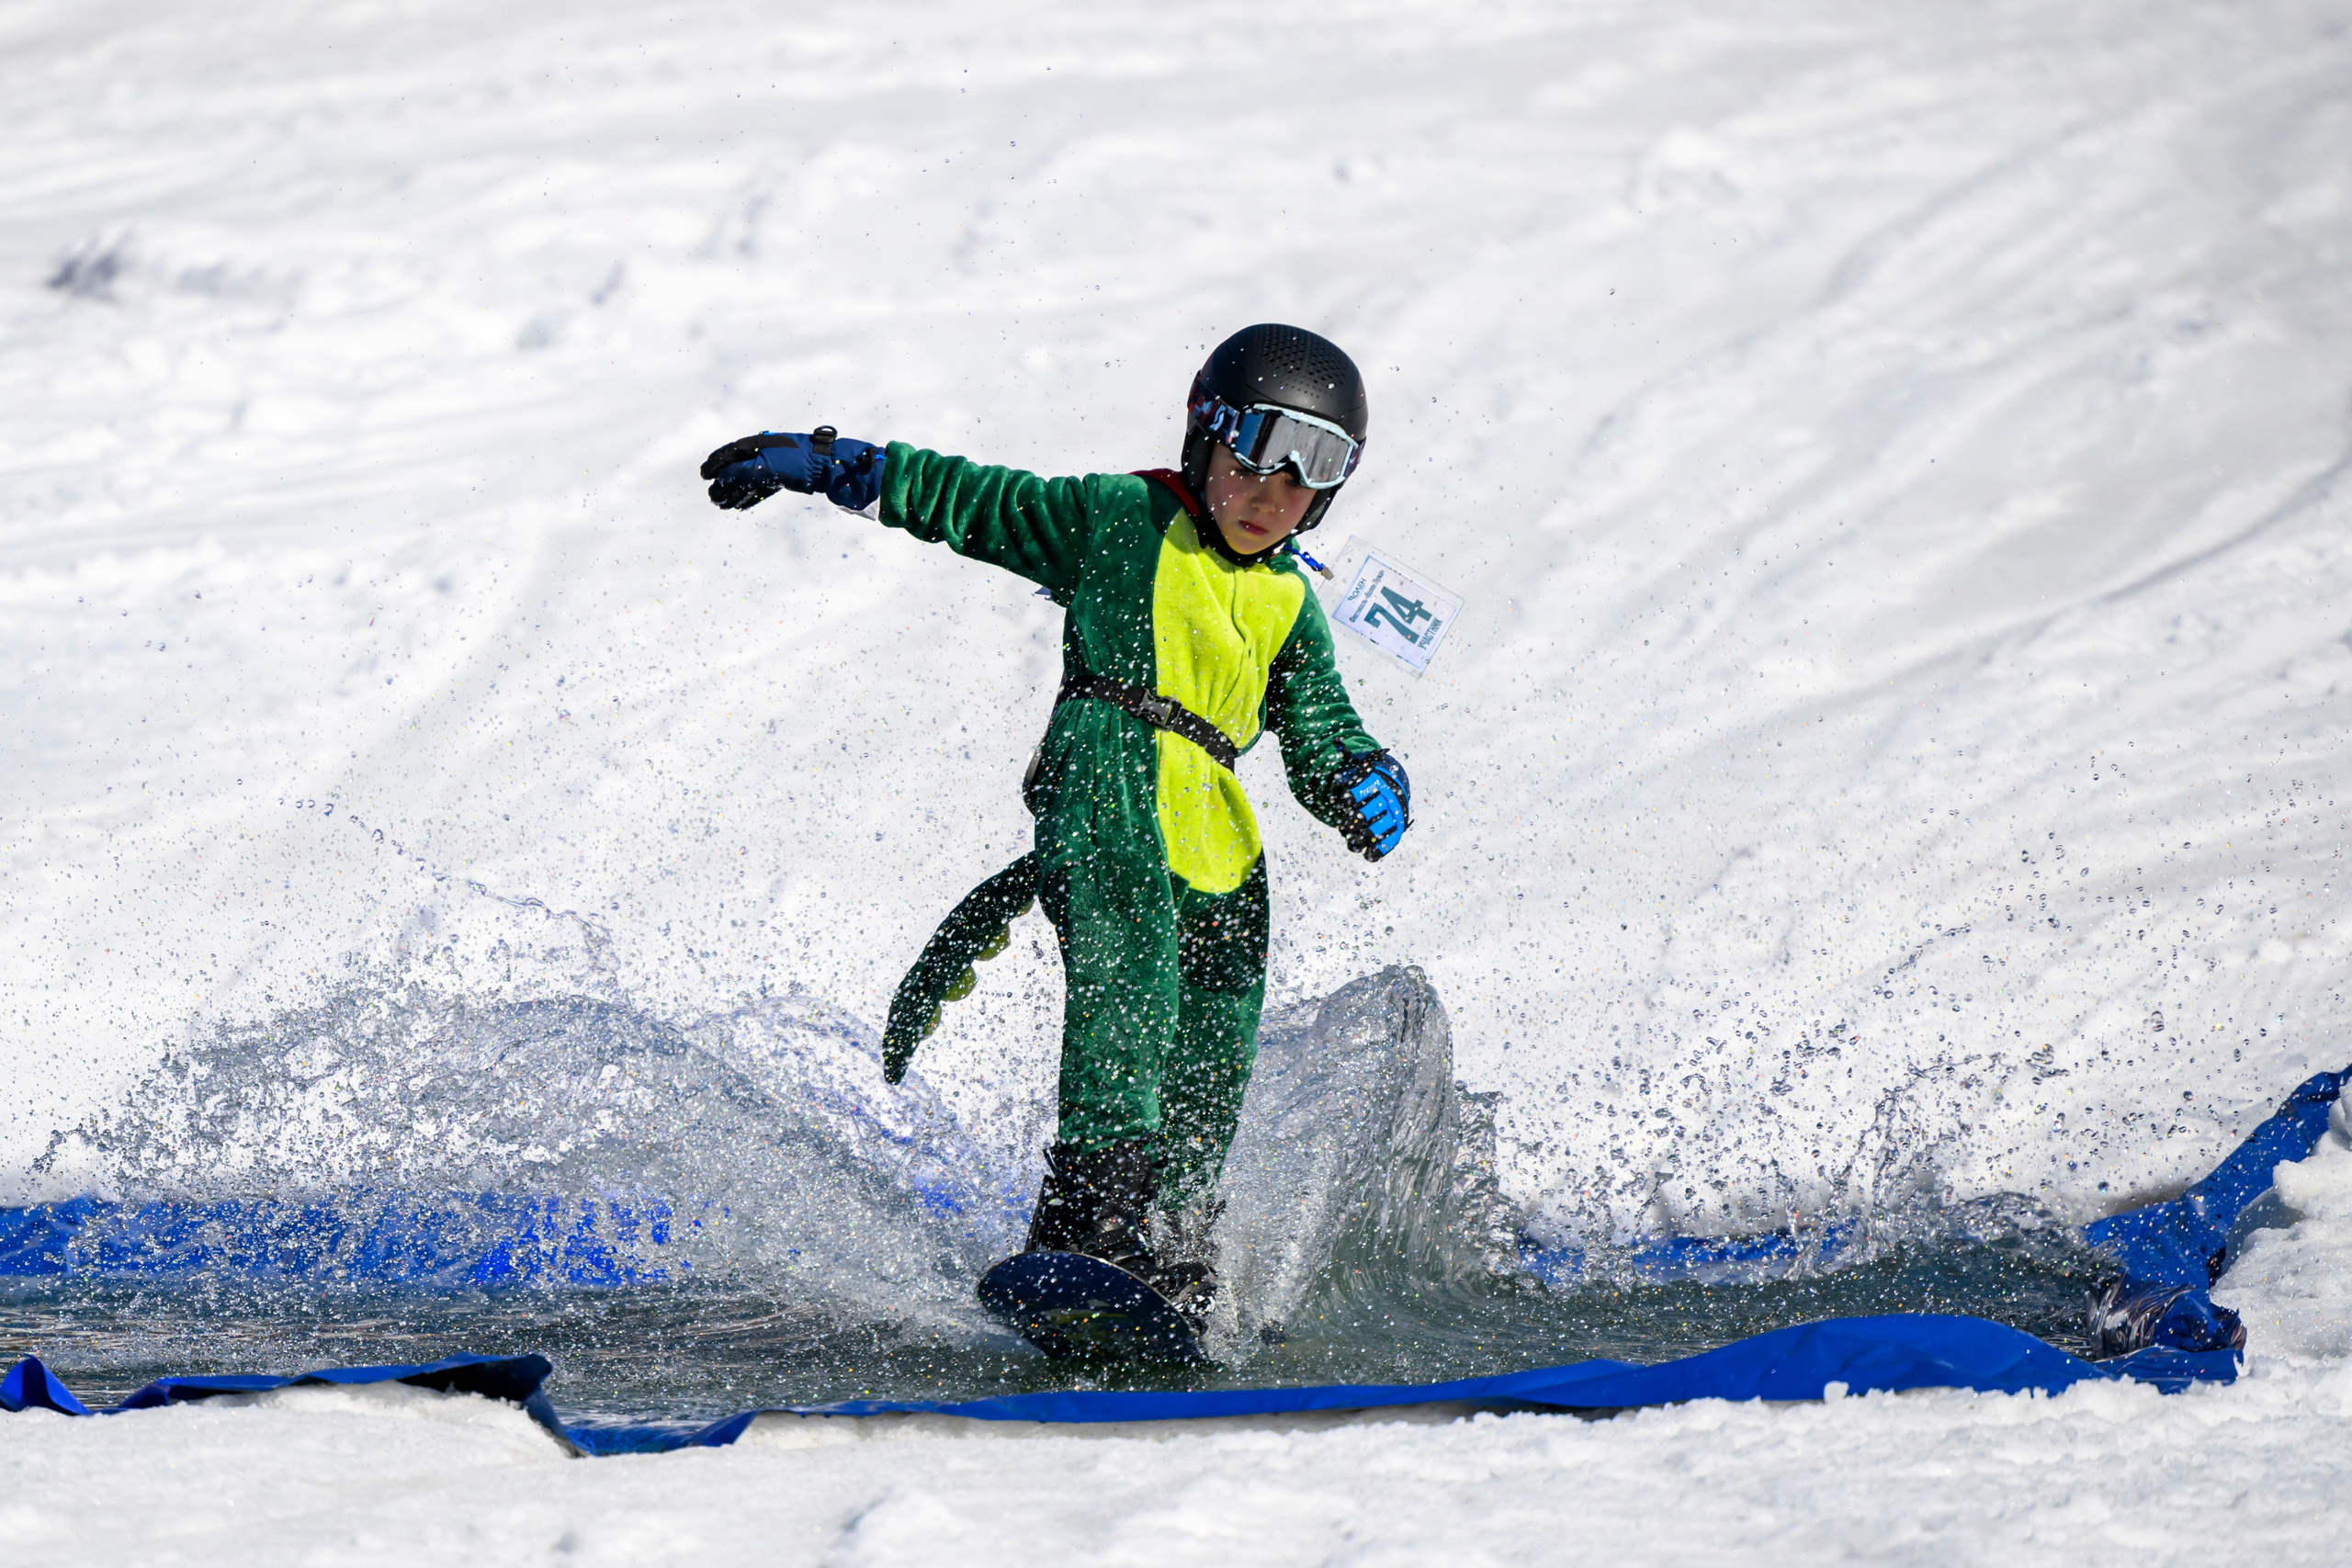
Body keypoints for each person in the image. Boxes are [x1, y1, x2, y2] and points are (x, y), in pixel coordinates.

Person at [699, 323, 1410, 1322]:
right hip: (1108, 785)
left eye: (1313, 468)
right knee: (1134, 973)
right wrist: (833, 465)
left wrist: (1360, 778)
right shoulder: (1122, 519)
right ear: (1205, 434)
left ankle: (1175, 1236)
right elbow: (975, 502)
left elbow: (1321, 728)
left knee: (1218, 1025)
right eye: (1258, 449)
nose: (1274, 489)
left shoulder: (1292, 602)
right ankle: (1090, 1214)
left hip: (1216, 834)